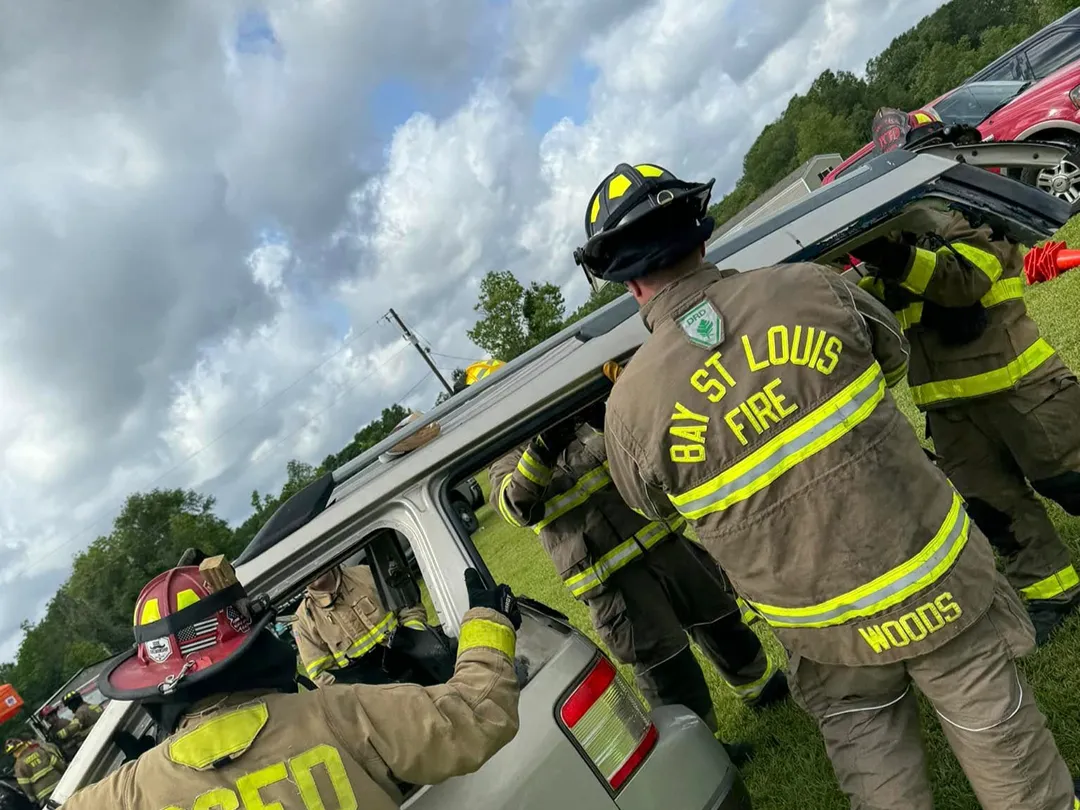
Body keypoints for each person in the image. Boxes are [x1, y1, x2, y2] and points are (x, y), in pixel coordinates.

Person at [579, 161, 1079, 809]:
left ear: (626, 280)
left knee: (878, 775)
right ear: (700, 234)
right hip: (934, 584)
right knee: (1006, 749)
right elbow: (893, 356)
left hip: (823, 633)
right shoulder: (814, 288)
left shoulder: (630, 406)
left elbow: (648, 502)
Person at [853, 106, 1080, 643]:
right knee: (998, 507)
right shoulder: (900, 229)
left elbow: (965, 281)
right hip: (949, 410)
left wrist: (894, 255)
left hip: (1022, 389)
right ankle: (1053, 591)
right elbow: (878, 308)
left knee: (1071, 478)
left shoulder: (977, 207)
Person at [474, 366, 786, 753]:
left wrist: (603, 418)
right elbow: (513, 507)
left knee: (719, 617)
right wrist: (542, 448)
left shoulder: (578, 418)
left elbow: (637, 447)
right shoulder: (505, 457)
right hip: (613, 580)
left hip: (665, 544)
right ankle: (702, 748)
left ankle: (759, 687)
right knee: (665, 663)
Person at [62, 556, 521, 809]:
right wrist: (488, 622)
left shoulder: (131, 792)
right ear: (253, 643)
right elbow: (474, 716)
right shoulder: (338, 715)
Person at [292, 563, 430, 686]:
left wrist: (415, 640)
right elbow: (321, 674)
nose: (312, 567)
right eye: (304, 564)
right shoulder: (303, 621)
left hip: (419, 665)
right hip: (375, 699)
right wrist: (361, 697)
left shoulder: (366, 574)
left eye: (314, 559)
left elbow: (409, 608)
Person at [5, 738, 65, 807]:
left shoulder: (18, 766)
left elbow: (25, 785)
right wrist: (65, 773)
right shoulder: (39, 751)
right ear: (24, 744)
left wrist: (32, 798)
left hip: (44, 794)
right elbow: (57, 763)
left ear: (14, 753)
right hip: (59, 782)